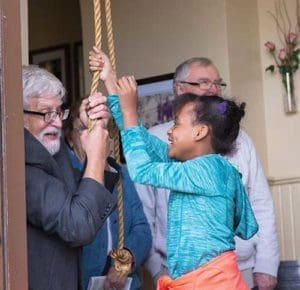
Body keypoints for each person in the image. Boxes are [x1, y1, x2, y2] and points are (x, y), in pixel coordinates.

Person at [89, 49, 259, 289]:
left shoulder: (206, 171)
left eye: (177, 124)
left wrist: (129, 112)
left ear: (200, 132)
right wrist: (111, 81)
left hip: (212, 283)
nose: (170, 131)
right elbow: (142, 142)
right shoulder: (198, 166)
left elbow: (141, 169)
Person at [136, 58, 280, 290]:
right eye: (203, 82)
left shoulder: (242, 142)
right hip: (175, 272)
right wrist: (155, 269)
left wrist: (266, 264)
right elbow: (144, 212)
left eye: (217, 83)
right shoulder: (161, 139)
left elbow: (260, 203)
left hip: (238, 269)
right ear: (179, 89)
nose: (213, 88)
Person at [23, 65, 116, 290]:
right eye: (46, 113)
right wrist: (95, 157)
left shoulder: (51, 149)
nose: (57, 122)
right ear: (19, 116)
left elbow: (82, 196)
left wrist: (89, 126)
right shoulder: (20, 165)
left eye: (59, 112)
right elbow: (78, 225)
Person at [63, 100, 152, 290]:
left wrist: (124, 262)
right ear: (70, 137)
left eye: (100, 128)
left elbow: (142, 229)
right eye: (84, 128)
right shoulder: (65, 175)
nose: (94, 135)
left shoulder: (122, 175)